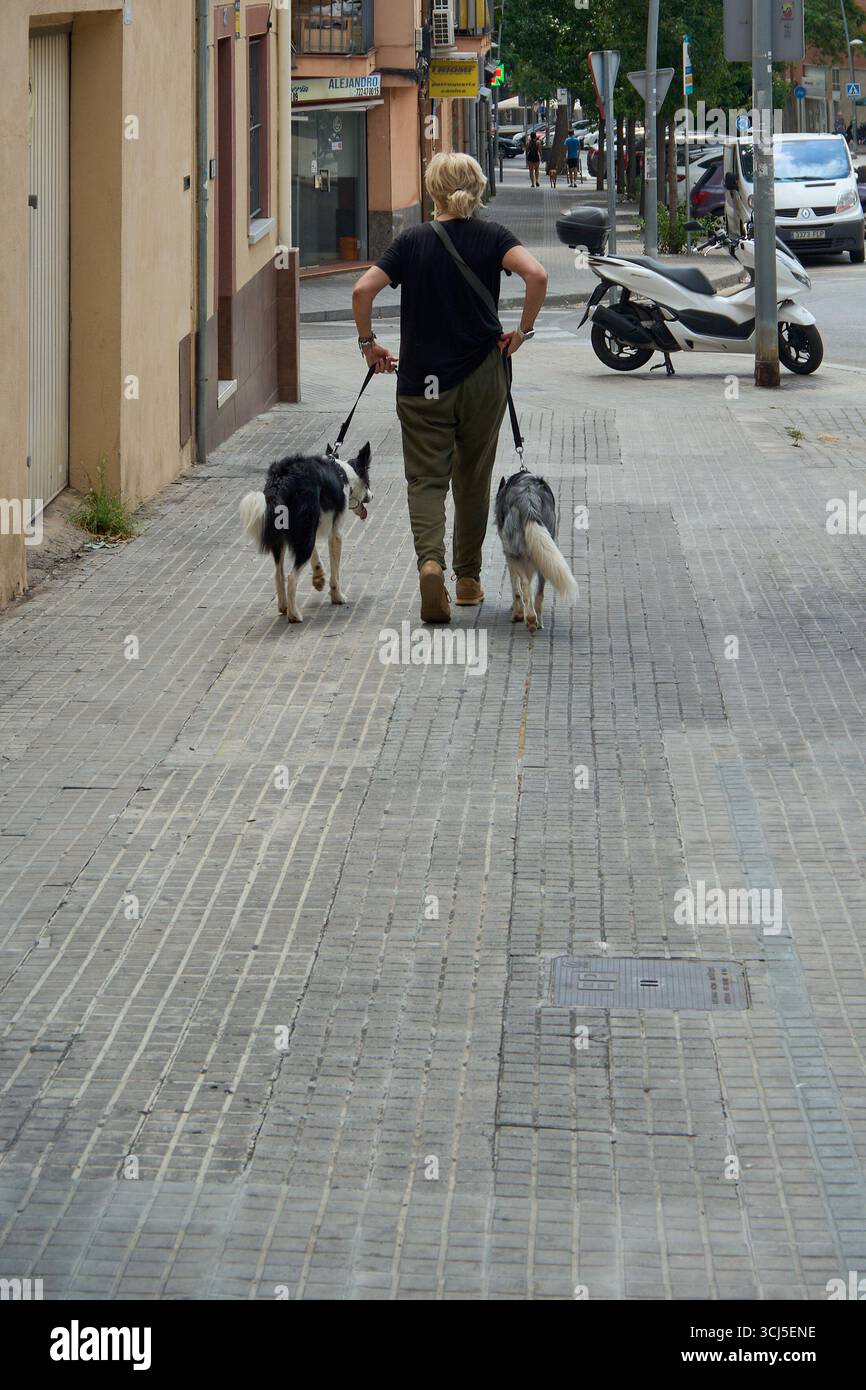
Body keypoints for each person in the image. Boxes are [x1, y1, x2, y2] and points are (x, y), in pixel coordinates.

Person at [351, 152, 548, 624]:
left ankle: (430, 565)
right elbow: (537, 275)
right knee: (473, 478)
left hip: (422, 382)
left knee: (426, 479)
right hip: (481, 377)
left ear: (432, 191)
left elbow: (361, 291)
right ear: (477, 189)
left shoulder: (411, 241)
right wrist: (522, 332)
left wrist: (369, 345)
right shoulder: (493, 236)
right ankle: (467, 580)